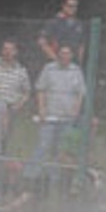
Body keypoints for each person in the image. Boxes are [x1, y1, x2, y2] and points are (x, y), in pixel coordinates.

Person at [29, 43, 87, 176]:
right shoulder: (48, 69)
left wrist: (76, 110)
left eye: (67, 53)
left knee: (60, 150)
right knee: (43, 145)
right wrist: (41, 108)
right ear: (58, 54)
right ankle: (31, 175)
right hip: (49, 116)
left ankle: (53, 178)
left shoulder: (76, 71)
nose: (64, 56)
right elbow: (41, 89)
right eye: (62, 53)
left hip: (67, 118)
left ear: (71, 56)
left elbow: (80, 93)